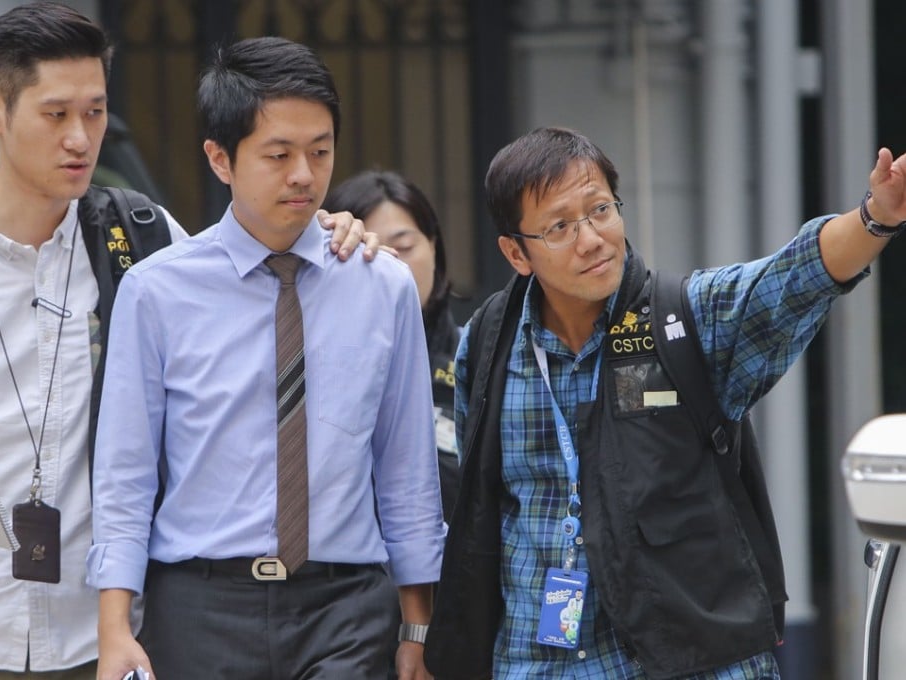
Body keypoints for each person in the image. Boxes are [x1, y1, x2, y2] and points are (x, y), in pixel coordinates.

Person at [0, 4, 374, 678]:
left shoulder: (142, 239)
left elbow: (251, 274)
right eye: (56, 115)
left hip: (105, 636)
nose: (81, 139)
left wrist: (331, 231)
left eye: (94, 112)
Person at [425, 126, 906, 679]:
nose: (591, 238)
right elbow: (483, 509)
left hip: (690, 661)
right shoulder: (487, 345)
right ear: (516, 252)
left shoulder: (681, 319)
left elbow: (789, 279)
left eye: (600, 209)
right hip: (539, 664)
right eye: (560, 226)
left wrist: (876, 216)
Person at [88, 36, 444, 680]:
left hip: (345, 606)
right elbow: (125, 473)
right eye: (278, 155)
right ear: (220, 159)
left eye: (320, 151)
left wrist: (415, 629)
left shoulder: (381, 285)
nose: (304, 174)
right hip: (201, 606)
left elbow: (406, 467)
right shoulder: (156, 291)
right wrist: (115, 627)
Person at [323, 170, 461, 522]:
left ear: (434, 245)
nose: (392, 264)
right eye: (369, 251)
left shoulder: (477, 354)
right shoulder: (309, 364)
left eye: (404, 247)